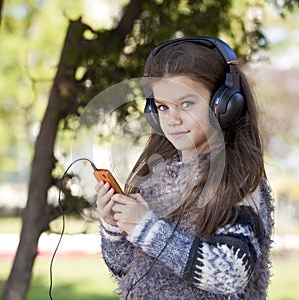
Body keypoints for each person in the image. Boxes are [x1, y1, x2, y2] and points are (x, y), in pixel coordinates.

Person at [95, 36, 274, 299]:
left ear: (223, 105)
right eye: (163, 107)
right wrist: (114, 227)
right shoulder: (156, 179)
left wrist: (145, 228)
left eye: (187, 104)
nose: (172, 118)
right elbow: (124, 270)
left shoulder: (237, 182)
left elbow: (228, 275)